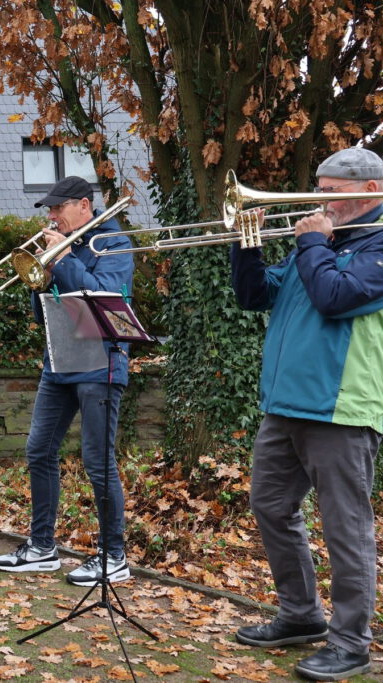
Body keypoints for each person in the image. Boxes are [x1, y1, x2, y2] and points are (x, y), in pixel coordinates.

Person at [230, 147, 382, 681]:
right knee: (270, 505)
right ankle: (300, 615)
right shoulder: (320, 244)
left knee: (347, 529)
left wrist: (312, 241)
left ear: (369, 192)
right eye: (317, 188)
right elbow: (256, 295)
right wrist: (245, 242)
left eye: (331, 191)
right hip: (284, 405)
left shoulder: (375, 246)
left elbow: (336, 296)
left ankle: (351, 644)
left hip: (341, 409)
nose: (319, 200)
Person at [0, 176, 135, 586]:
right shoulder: (66, 248)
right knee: (39, 449)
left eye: (57, 209)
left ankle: (114, 556)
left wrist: (65, 259)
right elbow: (44, 316)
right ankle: (41, 548)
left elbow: (107, 295)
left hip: (101, 363)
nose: (50, 216)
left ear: (85, 207)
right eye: (49, 210)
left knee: (97, 462)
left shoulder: (113, 243)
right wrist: (42, 278)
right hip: (60, 361)